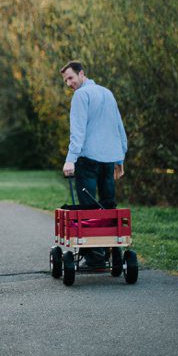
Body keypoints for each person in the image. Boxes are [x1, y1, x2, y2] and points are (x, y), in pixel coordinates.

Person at [60, 60, 128, 269]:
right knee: (108, 205)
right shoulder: (107, 93)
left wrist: (70, 159)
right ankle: (112, 249)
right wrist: (120, 157)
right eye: (66, 80)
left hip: (88, 160)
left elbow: (78, 132)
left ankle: (94, 258)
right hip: (108, 160)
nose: (69, 83)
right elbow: (118, 126)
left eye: (71, 77)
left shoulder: (81, 95)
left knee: (88, 208)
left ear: (82, 74)